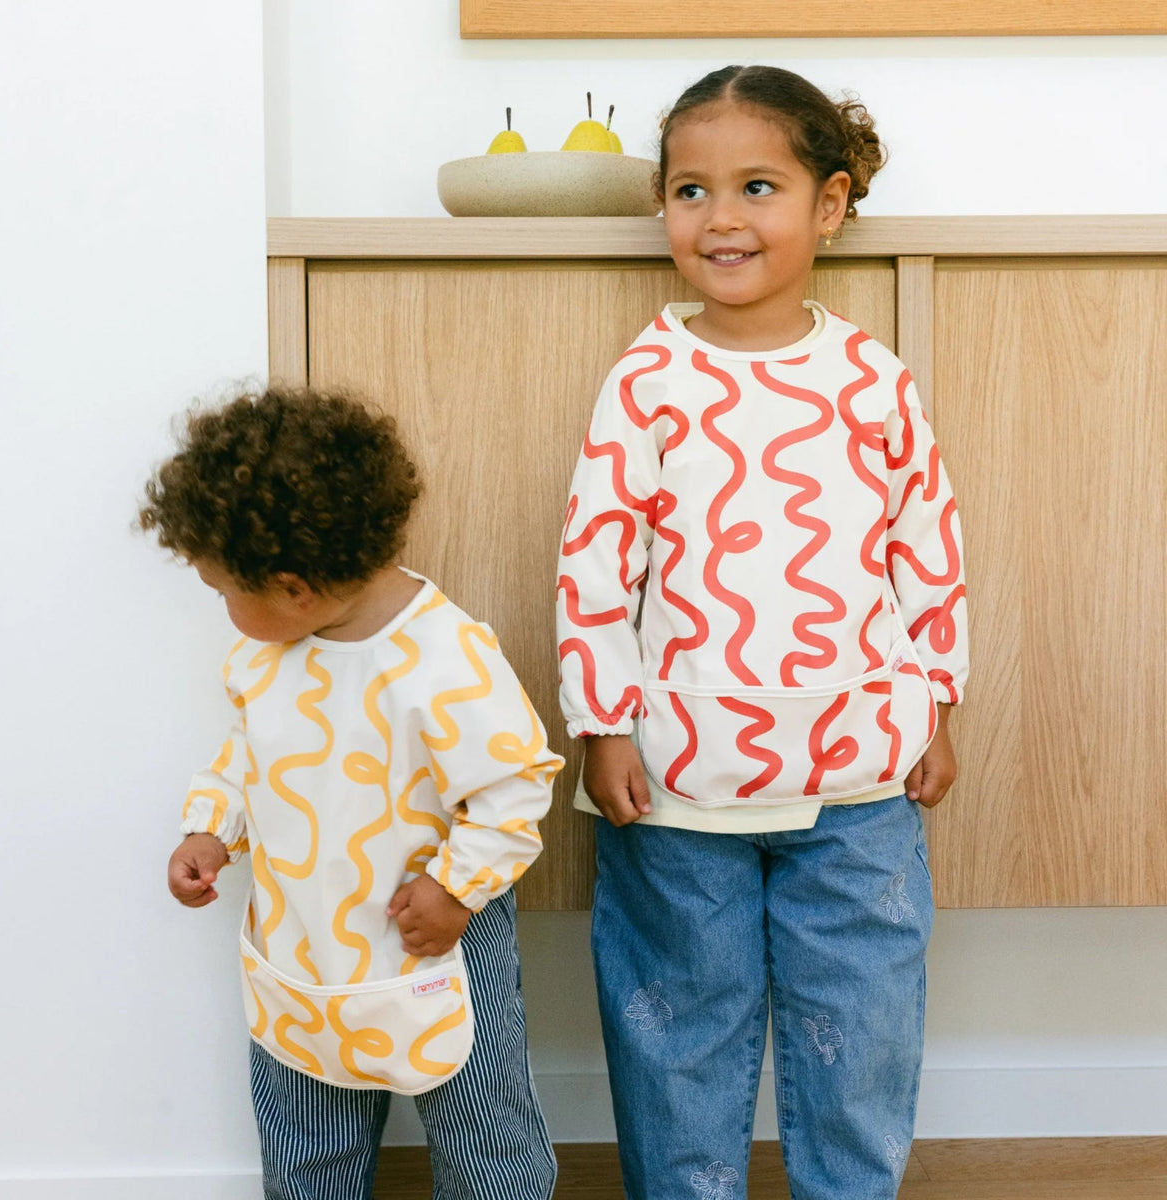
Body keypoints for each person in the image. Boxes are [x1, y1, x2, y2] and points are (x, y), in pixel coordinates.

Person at [556, 65, 968, 1200]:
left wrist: (937, 699)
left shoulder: (873, 380)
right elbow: (596, 561)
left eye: (755, 187)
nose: (721, 217)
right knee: (678, 1031)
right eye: (690, 191)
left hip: (861, 781)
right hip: (681, 779)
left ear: (828, 205)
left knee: (864, 1028)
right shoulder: (647, 381)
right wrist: (603, 723)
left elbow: (924, 548)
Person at [141, 386, 562, 1200]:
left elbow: (514, 785)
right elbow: (247, 754)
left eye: (228, 592)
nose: (225, 614)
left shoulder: (444, 658)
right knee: (307, 1147)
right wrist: (211, 829)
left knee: (487, 1146)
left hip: (433, 937)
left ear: (294, 587)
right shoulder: (267, 660)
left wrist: (455, 887)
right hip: (301, 942)